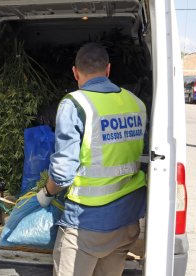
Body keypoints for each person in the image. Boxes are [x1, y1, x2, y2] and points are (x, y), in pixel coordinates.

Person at [37, 42, 147, 276]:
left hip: (88, 224)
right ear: (108, 69)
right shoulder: (136, 103)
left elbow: (62, 174)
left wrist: (46, 193)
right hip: (128, 221)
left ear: (75, 72)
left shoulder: (76, 104)